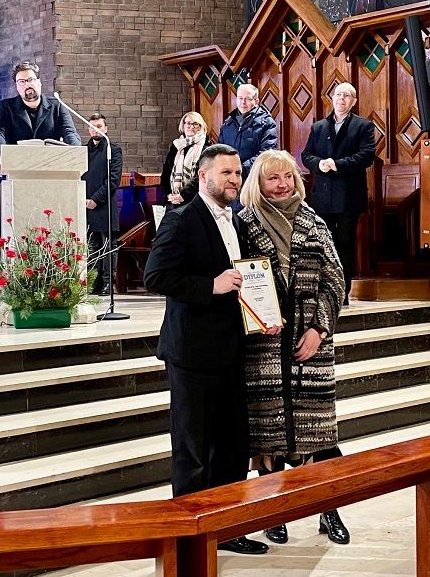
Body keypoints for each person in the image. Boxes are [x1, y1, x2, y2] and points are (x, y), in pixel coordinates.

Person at [143, 143, 269, 556]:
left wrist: (264, 313)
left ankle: (227, 528)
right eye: (226, 173)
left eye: (238, 173)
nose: (234, 179)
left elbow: (247, 279)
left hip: (232, 348)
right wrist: (208, 286)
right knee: (193, 450)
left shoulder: (239, 222)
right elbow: (156, 276)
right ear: (204, 176)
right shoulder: (182, 219)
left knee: (232, 446)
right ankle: (189, 541)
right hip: (192, 352)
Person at [239, 149, 349, 547]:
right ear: (258, 183)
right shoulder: (243, 223)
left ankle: (328, 510)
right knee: (268, 433)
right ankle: (275, 511)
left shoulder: (313, 222)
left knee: (317, 432)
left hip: (310, 344)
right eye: (273, 178)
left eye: (288, 176)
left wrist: (320, 328)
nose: (283, 184)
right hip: (263, 345)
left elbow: (335, 279)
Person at [301, 82, 375, 305]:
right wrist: (319, 163)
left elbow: (366, 156)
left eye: (347, 95)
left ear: (353, 101)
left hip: (348, 196)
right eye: (338, 94)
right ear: (332, 98)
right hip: (322, 196)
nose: (341, 98)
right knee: (322, 243)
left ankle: (342, 292)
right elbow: (306, 155)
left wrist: (338, 164)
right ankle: (323, 289)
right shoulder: (319, 127)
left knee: (344, 243)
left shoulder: (363, 126)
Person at [0, 61, 82, 176]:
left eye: (30, 80)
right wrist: (0, 155)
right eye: (21, 82)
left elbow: (69, 132)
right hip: (18, 168)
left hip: (51, 167)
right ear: (17, 86)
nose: (27, 85)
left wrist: (76, 153)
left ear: (39, 82)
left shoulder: (57, 106)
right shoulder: (6, 107)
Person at [81, 113, 123, 296]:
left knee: (108, 246)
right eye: (92, 126)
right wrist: (84, 199)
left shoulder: (113, 150)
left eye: (99, 126)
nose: (95, 129)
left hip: (104, 205)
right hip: (85, 204)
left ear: (106, 128)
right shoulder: (83, 151)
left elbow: (113, 181)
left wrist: (95, 200)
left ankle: (108, 282)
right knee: (91, 245)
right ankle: (94, 282)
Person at [218, 83, 278, 185]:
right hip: (229, 179)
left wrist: (240, 170)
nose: (243, 102)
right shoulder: (228, 123)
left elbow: (267, 153)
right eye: (240, 98)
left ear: (256, 101)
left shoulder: (267, 123)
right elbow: (220, 150)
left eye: (248, 99)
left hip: (255, 179)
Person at [160, 111, 210, 210]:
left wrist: (184, 195)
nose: (191, 127)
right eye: (188, 123)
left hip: (195, 202)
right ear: (183, 126)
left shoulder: (206, 149)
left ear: (201, 127)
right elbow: (166, 173)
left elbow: (202, 176)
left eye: (195, 124)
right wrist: (167, 195)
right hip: (173, 202)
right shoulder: (176, 147)